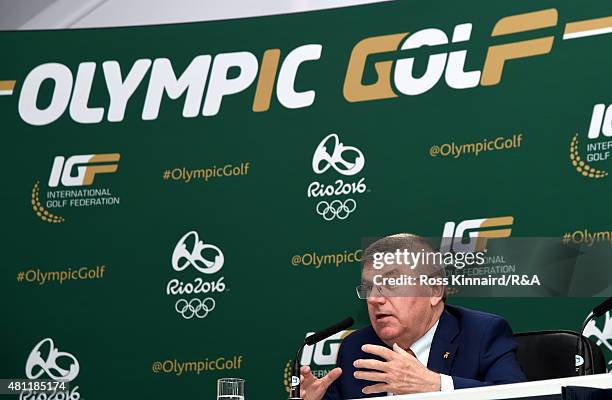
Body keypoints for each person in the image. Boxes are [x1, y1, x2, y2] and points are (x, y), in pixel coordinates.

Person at [300, 233, 526, 399]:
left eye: (391, 283)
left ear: (435, 291)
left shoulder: (481, 333)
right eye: (369, 288)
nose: (374, 299)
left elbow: (521, 397)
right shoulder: (356, 347)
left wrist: (437, 386)